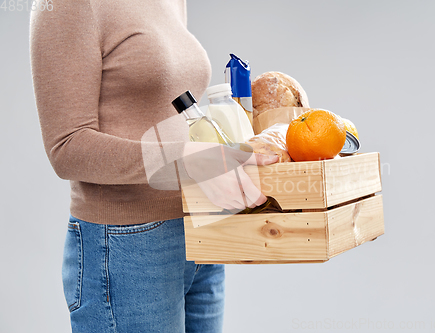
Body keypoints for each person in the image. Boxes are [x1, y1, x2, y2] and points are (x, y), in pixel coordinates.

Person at [29, 1, 277, 332]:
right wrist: (192, 161)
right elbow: (67, 148)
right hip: (128, 247)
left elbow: (165, 110)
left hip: (199, 227)